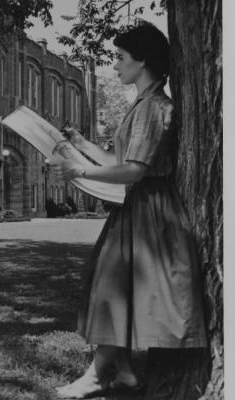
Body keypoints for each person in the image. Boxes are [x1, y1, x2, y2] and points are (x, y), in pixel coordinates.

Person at [51, 21, 207, 398]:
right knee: (112, 287)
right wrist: (83, 144)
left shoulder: (154, 106)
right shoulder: (143, 105)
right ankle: (124, 372)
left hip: (150, 213)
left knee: (113, 287)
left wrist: (80, 169)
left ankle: (95, 375)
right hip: (137, 209)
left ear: (142, 61)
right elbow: (120, 159)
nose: (116, 66)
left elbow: (135, 169)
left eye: (121, 58)